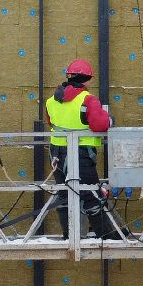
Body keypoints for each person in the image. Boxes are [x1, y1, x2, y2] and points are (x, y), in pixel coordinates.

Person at [45, 59, 121, 239]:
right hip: (81, 154)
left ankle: (70, 235)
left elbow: (51, 122)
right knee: (91, 194)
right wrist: (110, 120)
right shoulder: (88, 100)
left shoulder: (51, 101)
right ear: (87, 79)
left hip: (57, 154)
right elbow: (100, 124)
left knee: (64, 194)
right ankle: (107, 236)